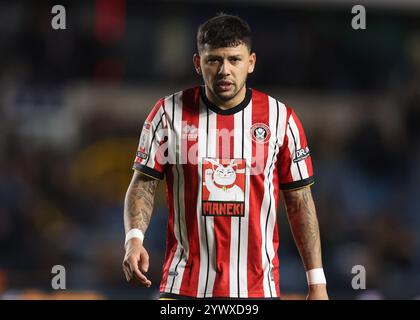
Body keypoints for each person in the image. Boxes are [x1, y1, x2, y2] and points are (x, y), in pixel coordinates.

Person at [122, 13, 328, 300]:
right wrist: (134, 240)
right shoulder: (167, 114)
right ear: (198, 63)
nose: (224, 70)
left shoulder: (281, 119)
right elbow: (143, 184)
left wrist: (317, 282)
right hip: (184, 288)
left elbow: (300, 201)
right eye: (214, 60)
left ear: (251, 62)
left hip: (256, 291)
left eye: (234, 59)